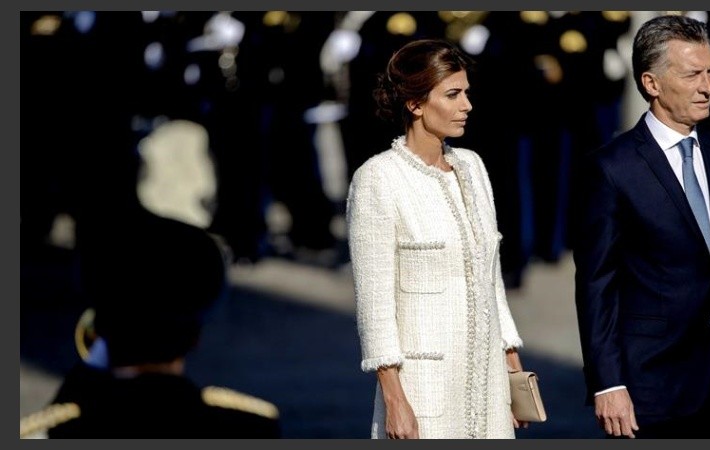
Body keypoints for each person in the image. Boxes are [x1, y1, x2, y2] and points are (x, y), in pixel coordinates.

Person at [573, 14, 710, 439]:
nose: (707, 86)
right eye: (692, 74)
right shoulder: (611, 169)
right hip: (648, 391)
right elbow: (596, 286)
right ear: (652, 83)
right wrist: (608, 383)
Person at [346, 39, 527, 439]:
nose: (467, 105)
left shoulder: (473, 167)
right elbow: (374, 306)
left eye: (467, 93)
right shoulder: (378, 179)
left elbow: (492, 280)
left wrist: (513, 366)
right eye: (453, 94)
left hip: (489, 385)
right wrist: (395, 401)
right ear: (415, 103)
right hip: (424, 389)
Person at [20, 211, 281, 438]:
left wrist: (83, 380)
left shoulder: (59, 431)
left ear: (99, 332)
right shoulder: (251, 429)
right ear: (195, 338)